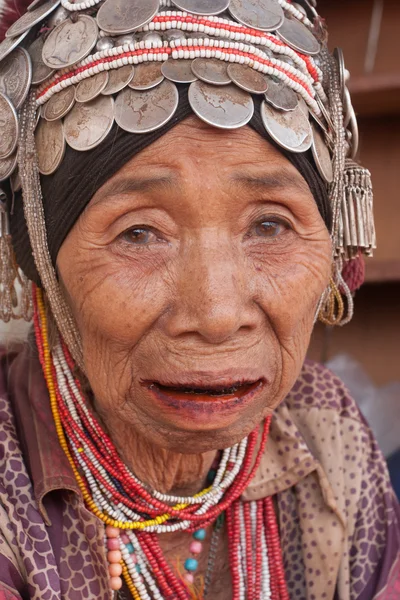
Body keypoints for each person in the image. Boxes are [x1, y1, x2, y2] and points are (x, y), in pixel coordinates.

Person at [0, 0, 398, 599]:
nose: (216, 316)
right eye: (139, 233)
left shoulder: (324, 430)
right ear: (38, 259)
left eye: (270, 225)